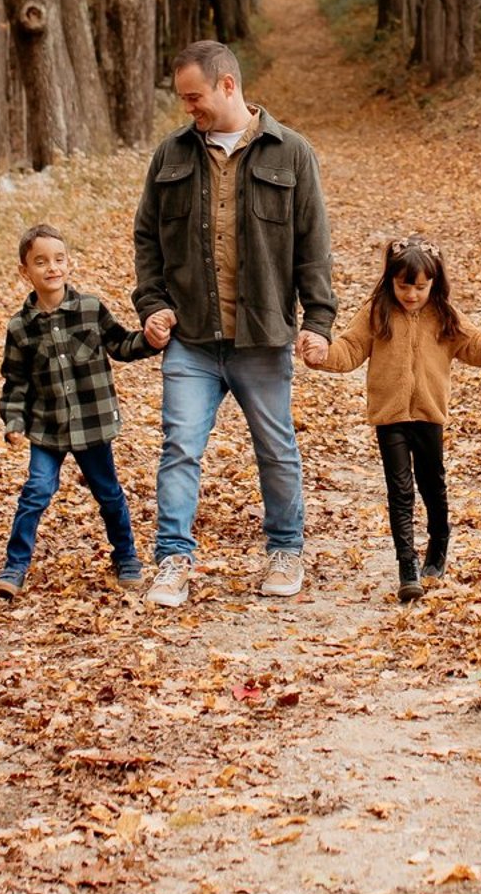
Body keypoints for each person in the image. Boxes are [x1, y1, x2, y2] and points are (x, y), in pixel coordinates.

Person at [132, 39, 335, 609]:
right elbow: (147, 238)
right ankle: (172, 561)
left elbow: (313, 247)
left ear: (227, 86)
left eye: (194, 96)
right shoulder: (170, 156)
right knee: (179, 448)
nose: (187, 108)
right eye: (182, 98)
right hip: (191, 338)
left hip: (261, 335)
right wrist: (152, 305)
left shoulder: (291, 152)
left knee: (276, 448)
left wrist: (318, 319)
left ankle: (285, 550)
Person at [304, 237, 481, 603]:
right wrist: (322, 354)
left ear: (434, 284)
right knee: (400, 490)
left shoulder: (444, 314)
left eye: (420, 287)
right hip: (389, 416)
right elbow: (351, 348)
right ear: (391, 280)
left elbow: (478, 347)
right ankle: (407, 565)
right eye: (404, 285)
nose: (411, 294)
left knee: (432, 484)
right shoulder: (377, 311)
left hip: (428, 414)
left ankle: (438, 547)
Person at [0, 224, 154, 602]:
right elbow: (15, 381)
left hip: (91, 424)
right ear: (25, 271)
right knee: (36, 491)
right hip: (46, 428)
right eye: (41, 261)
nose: (52, 268)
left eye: (59, 259)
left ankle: (126, 556)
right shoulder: (20, 328)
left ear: (69, 264)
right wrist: (14, 422)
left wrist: (150, 340)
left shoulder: (90, 308)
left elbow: (120, 343)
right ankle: (15, 566)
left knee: (108, 493)